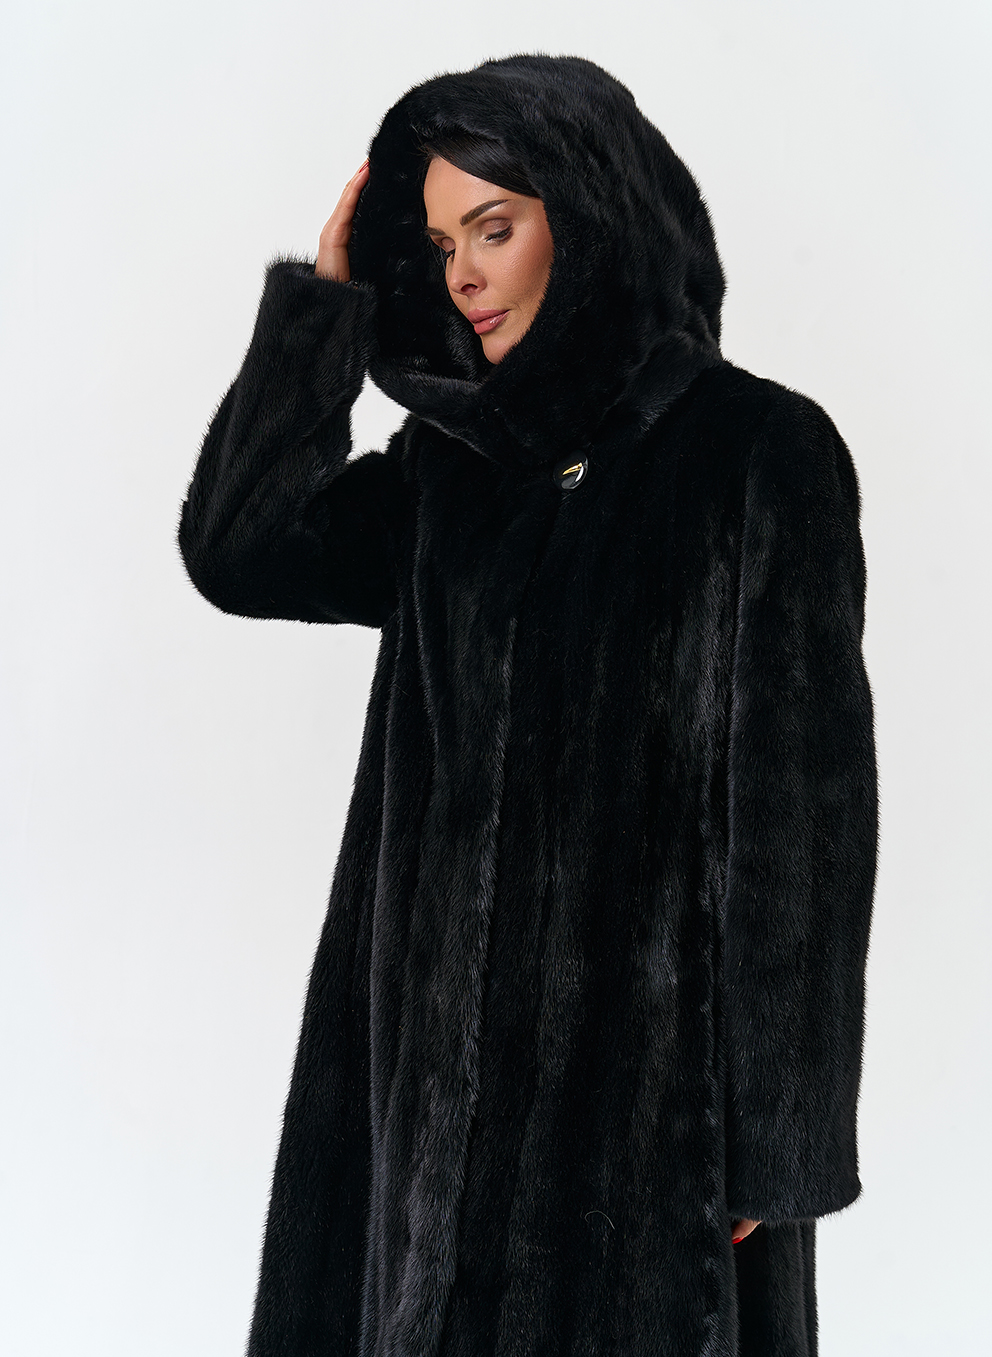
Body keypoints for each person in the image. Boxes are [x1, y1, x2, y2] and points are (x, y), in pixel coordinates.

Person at [178, 54, 878, 1357]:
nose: (462, 275)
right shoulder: (449, 473)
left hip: (646, 1137)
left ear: (589, 213)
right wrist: (324, 314)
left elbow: (807, 824)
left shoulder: (755, 452)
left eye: (493, 228)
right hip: (425, 1128)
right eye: (441, 242)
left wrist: (774, 1150)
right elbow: (241, 550)